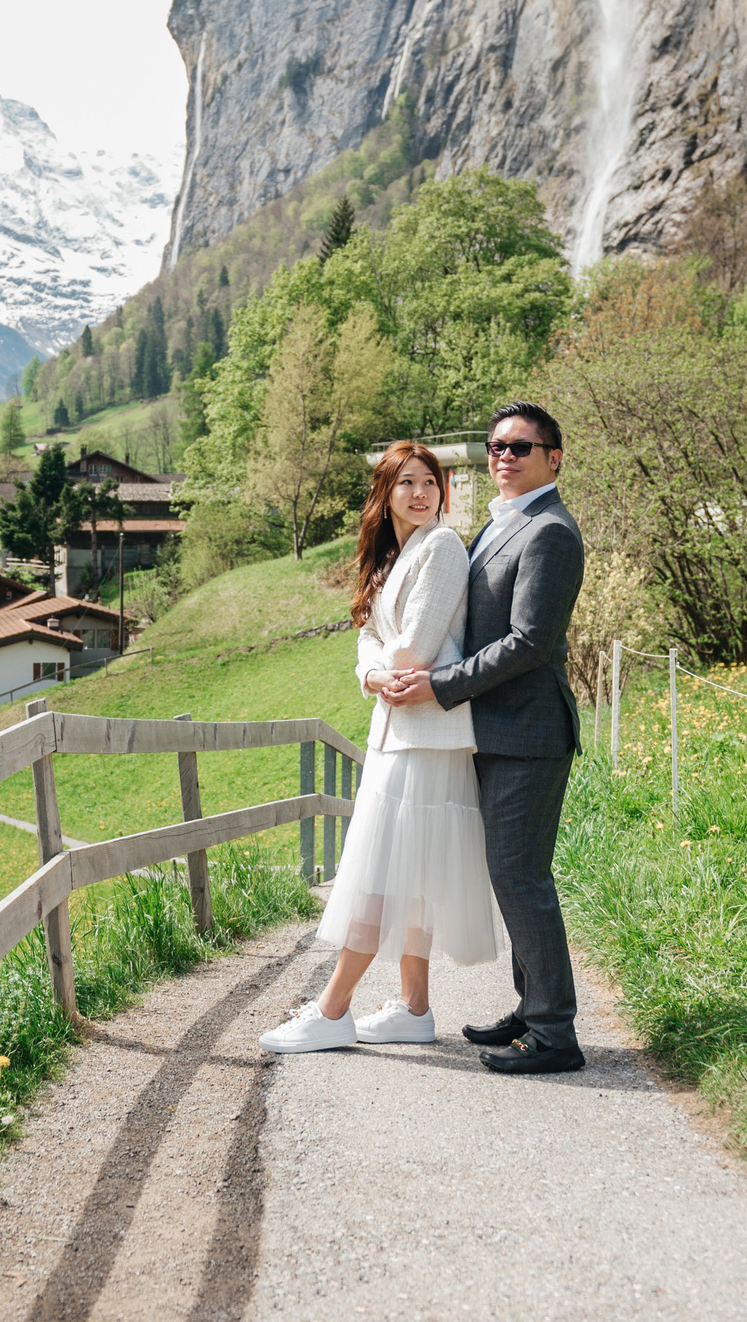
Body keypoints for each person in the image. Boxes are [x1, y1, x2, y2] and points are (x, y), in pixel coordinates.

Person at [259, 441, 497, 1053]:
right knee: (406, 872)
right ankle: (414, 1008)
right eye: (407, 483)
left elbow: (414, 646)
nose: (422, 494)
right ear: (385, 493)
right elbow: (367, 636)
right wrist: (371, 676)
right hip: (398, 730)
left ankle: (332, 1009)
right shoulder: (391, 558)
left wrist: (387, 670)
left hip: (429, 734)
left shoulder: (441, 546)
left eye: (430, 483)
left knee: (380, 874)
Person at [379, 398, 586, 1074]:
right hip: (495, 730)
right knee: (510, 875)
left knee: (521, 878)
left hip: (529, 730)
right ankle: (532, 1010)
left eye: (520, 447)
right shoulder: (502, 524)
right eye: (497, 446)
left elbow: (529, 643)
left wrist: (440, 686)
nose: (504, 456)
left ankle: (555, 1032)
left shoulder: (551, 530)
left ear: (553, 459)